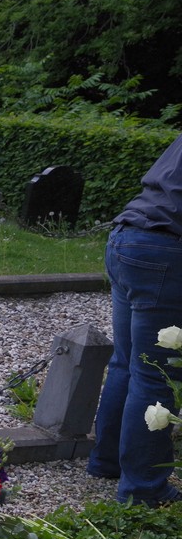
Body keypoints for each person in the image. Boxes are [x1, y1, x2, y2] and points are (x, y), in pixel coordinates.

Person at [88, 134, 182, 506]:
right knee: (157, 376)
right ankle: (143, 489)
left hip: (129, 237)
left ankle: (107, 461)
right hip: (167, 249)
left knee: (127, 363)